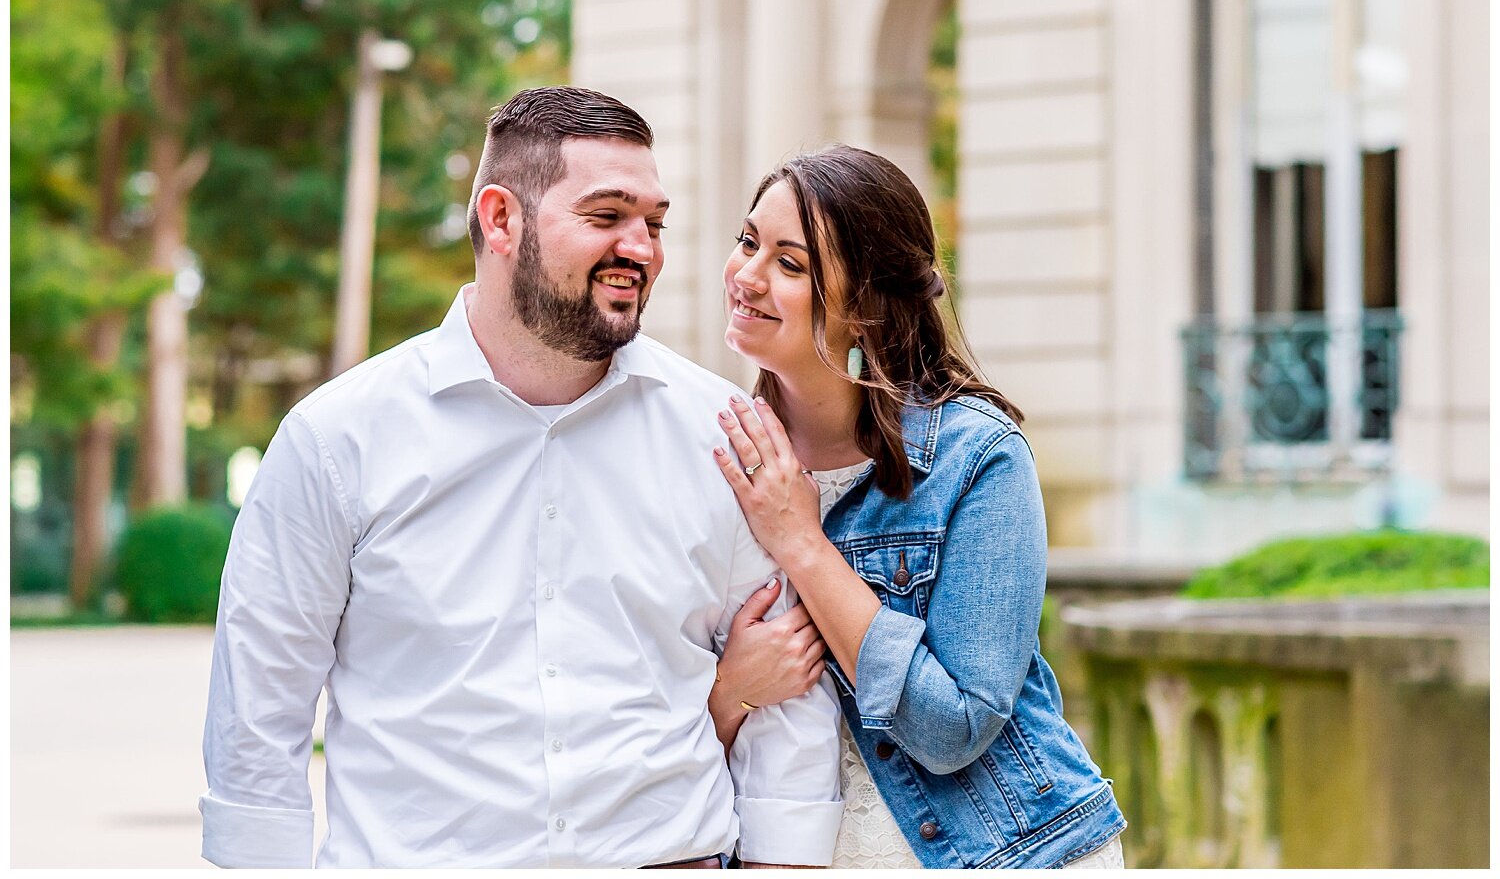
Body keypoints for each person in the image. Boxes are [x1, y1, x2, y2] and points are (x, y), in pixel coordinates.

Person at [198, 87, 842, 868]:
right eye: (606, 217)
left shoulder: (725, 432)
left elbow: (790, 693)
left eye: (654, 223)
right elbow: (260, 707)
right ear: (502, 220)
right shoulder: (338, 440)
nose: (641, 247)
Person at [704, 145, 1127, 868]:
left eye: (790, 264)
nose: (747, 277)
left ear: (863, 309)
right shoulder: (711, 454)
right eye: (749, 243)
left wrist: (803, 543)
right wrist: (728, 695)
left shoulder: (976, 457)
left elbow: (955, 726)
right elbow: (640, 729)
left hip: (1006, 854)